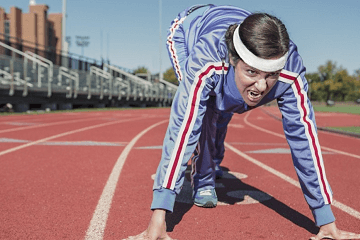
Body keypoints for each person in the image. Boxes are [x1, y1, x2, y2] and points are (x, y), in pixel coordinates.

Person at [125, 4, 360, 240]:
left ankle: (213, 158)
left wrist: (325, 218)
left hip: (235, 31)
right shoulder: (206, 60)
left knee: (226, 107)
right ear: (232, 59)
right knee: (205, 109)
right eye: (252, 73)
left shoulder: (291, 72)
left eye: (271, 76)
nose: (260, 86)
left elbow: (304, 140)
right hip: (189, 30)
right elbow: (183, 128)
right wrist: (159, 214)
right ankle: (203, 178)